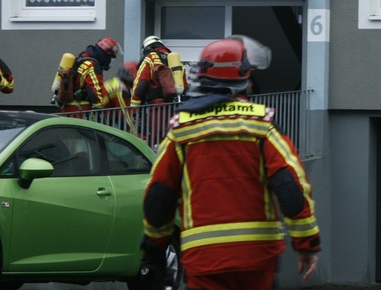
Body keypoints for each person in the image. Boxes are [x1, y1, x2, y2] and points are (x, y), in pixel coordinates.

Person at [138, 35, 321, 290]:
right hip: (257, 259)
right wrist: (307, 244)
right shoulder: (261, 125)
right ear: (243, 77)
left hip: (203, 262)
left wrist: (154, 250)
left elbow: (159, 194)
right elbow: (291, 187)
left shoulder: (181, 131)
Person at [131, 35, 189, 144]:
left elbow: (141, 82)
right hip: (171, 107)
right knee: (167, 138)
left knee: (153, 139)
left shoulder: (151, 57)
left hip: (153, 108)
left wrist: (133, 107)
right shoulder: (175, 61)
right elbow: (184, 86)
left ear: (147, 48)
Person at [57, 37, 121, 115]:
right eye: (110, 58)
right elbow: (96, 96)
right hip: (80, 112)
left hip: (69, 110)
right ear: (105, 55)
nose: (110, 61)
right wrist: (112, 86)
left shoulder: (82, 57)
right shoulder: (93, 65)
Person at [101, 60, 139, 134]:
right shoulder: (120, 89)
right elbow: (125, 115)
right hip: (100, 119)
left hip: (102, 118)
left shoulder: (115, 82)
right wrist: (136, 136)